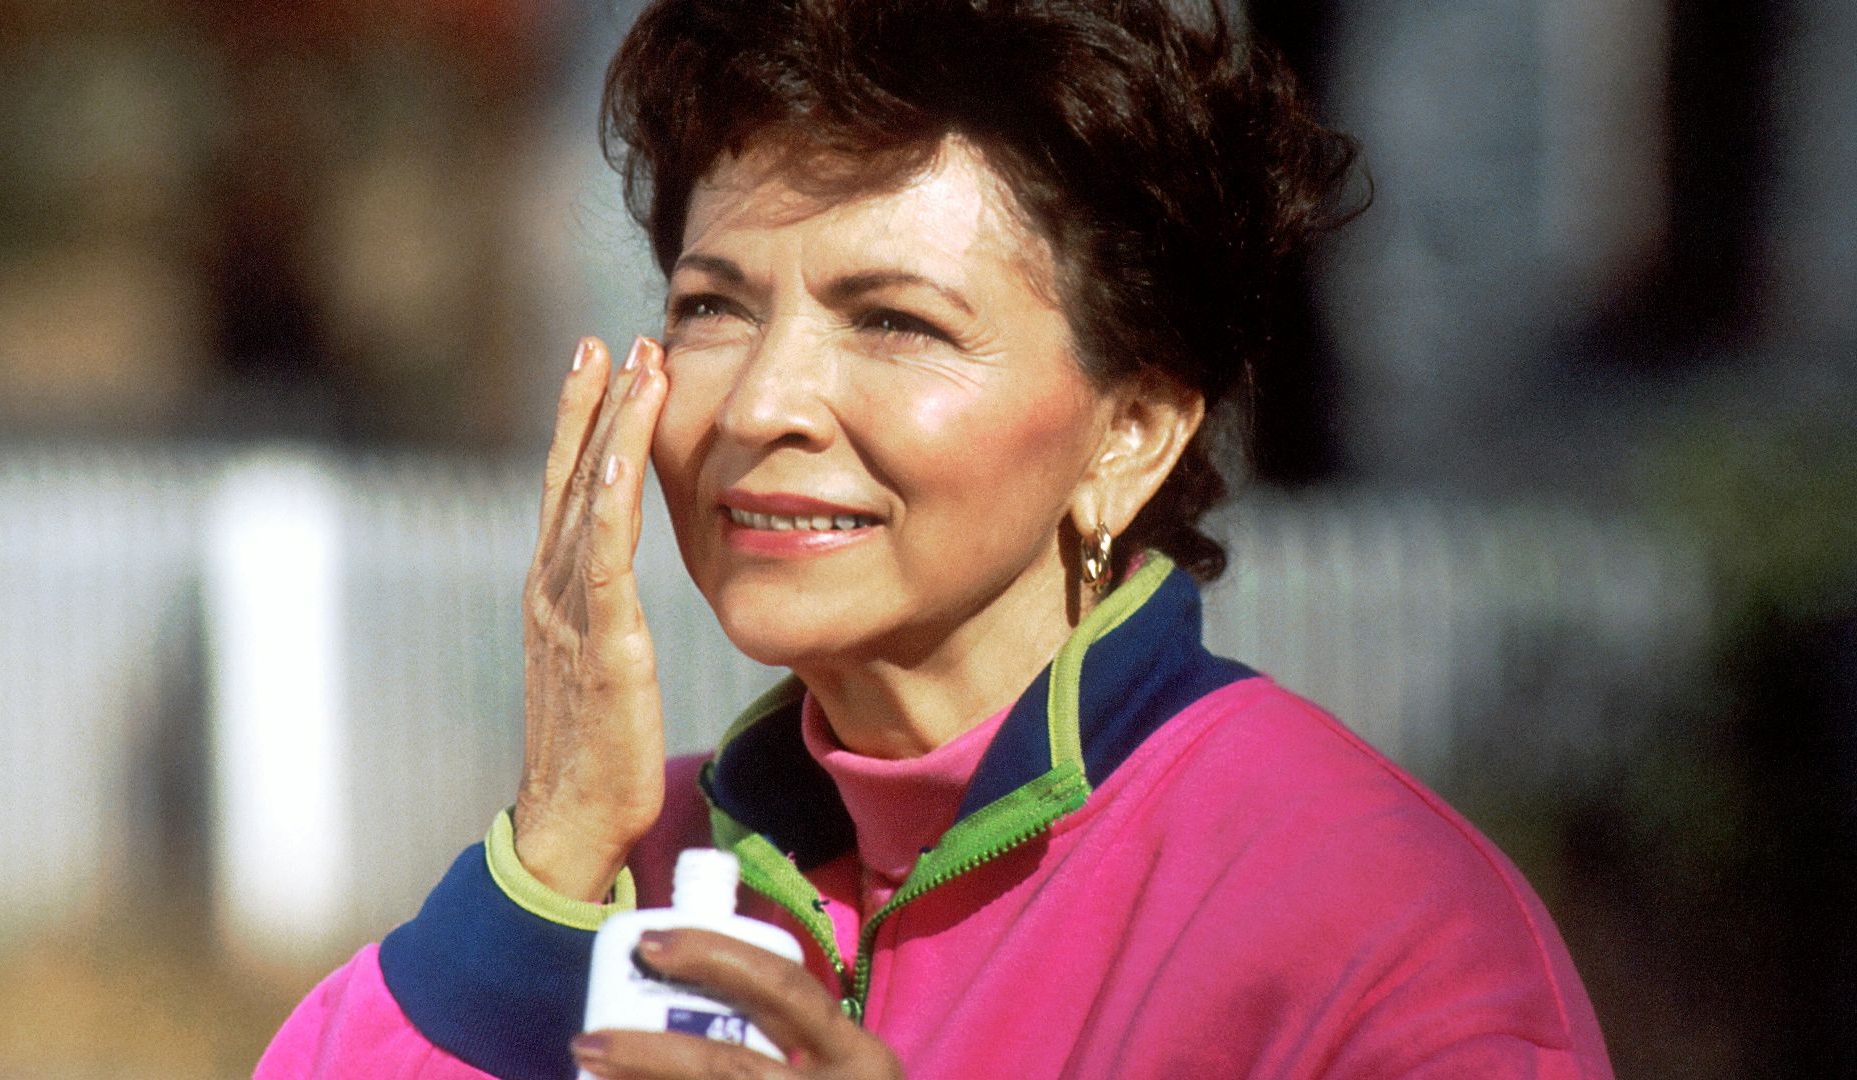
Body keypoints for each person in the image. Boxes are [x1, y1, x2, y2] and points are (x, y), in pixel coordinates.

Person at [259, 0, 1614, 1077]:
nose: (766, 404)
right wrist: (550, 859)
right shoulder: (623, 865)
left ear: (1132, 430)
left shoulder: (1373, 931)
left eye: (895, 321)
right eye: (715, 306)